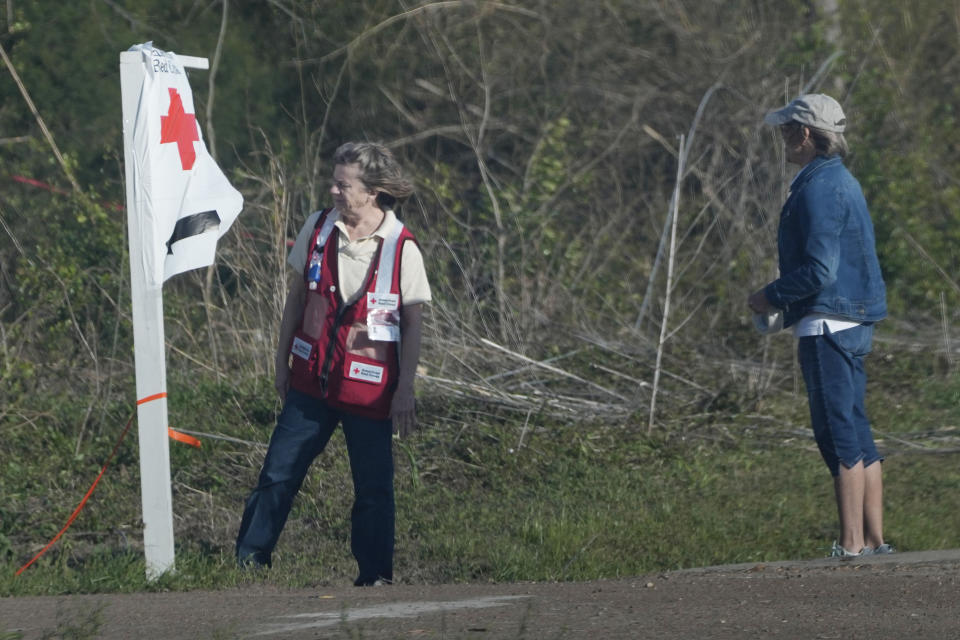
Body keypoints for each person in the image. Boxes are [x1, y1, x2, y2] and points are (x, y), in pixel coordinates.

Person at [236, 142, 431, 585]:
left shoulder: (402, 247)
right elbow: (295, 301)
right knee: (277, 474)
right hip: (309, 384)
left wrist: (405, 391)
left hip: (370, 392)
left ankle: (375, 576)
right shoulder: (317, 228)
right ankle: (247, 564)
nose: (334, 191)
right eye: (334, 182)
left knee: (374, 491)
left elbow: (413, 325)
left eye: (343, 185)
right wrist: (280, 363)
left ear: (373, 192)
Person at [748, 94, 894, 558]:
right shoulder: (838, 181)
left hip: (828, 322)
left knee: (836, 432)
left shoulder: (817, 187)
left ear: (804, 134)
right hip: (851, 317)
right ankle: (874, 541)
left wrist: (768, 296)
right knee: (856, 426)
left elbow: (818, 270)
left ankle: (851, 546)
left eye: (786, 130)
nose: (783, 139)